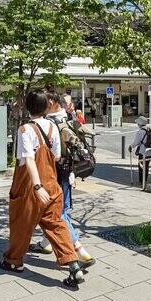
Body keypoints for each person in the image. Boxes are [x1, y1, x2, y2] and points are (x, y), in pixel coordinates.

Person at [2, 90, 84, 289]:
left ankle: (14, 261)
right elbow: (56, 156)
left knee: (21, 224)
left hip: (30, 185)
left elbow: (29, 160)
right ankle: (73, 265)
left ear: (27, 107)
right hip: (52, 183)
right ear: (47, 107)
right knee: (56, 225)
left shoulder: (25, 129)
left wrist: (37, 186)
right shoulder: (52, 127)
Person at [30, 92, 95, 269]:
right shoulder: (67, 118)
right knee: (55, 209)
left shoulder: (49, 123)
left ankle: (79, 250)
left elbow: (53, 155)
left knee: (58, 212)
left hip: (54, 173)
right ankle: (46, 243)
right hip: (68, 171)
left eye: (45, 101)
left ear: (51, 102)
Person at [129, 116, 151, 184]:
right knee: (146, 165)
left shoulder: (140, 131)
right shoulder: (149, 129)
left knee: (141, 166)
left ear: (139, 123)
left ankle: (142, 181)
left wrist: (131, 146)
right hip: (149, 151)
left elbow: (136, 142)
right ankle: (145, 179)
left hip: (143, 151)